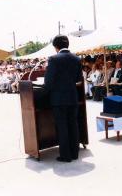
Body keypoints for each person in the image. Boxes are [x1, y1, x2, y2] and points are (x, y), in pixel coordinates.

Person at [45, 35, 82, 163]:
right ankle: (74, 153)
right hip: (72, 97)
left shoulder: (53, 59)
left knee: (62, 127)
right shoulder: (76, 59)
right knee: (73, 125)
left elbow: (48, 82)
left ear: (56, 47)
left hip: (59, 99)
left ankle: (65, 156)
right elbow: (78, 79)